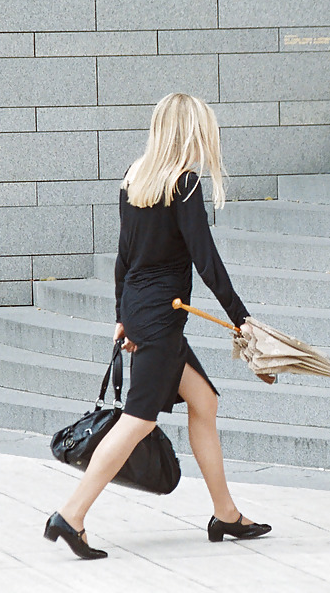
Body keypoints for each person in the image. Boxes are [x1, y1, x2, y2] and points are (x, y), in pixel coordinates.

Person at [44, 93, 271, 560]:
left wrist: (121, 317)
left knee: (203, 401)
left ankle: (226, 514)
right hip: (163, 318)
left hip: (145, 311)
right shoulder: (183, 184)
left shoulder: (136, 177)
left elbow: (124, 258)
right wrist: (243, 321)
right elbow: (206, 262)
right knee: (137, 421)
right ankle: (71, 514)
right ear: (190, 132)